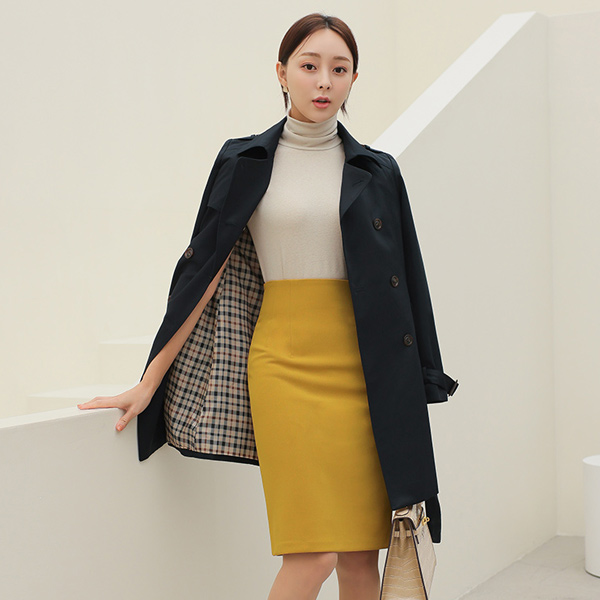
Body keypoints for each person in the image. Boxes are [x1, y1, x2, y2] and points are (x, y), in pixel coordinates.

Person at [78, 12, 457, 600]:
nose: (324, 81)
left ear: (354, 80)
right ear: (282, 73)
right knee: (313, 553)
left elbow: (409, 279)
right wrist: (149, 381)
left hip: (368, 374)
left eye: (339, 69)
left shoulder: (377, 171)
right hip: (284, 366)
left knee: (361, 555)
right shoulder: (245, 161)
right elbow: (201, 274)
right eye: (309, 66)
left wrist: (423, 375)